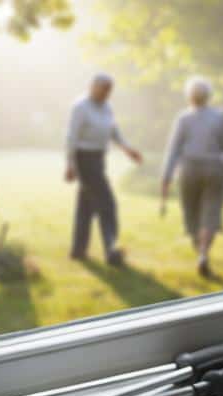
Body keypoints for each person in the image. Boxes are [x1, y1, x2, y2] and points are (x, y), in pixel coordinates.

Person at [161, 77, 223, 278]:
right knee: (211, 214)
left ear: (189, 97)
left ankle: (199, 249)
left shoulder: (183, 118)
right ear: (209, 96)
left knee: (191, 214)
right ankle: (203, 254)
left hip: (189, 169)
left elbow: (172, 150)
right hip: (214, 169)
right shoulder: (220, 117)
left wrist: (166, 178)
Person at [65, 73, 142, 266]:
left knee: (86, 207)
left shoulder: (107, 107)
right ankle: (112, 251)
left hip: (98, 159)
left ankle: (78, 250)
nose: (107, 93)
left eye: (109, 90)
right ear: (93, 86)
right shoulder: (80, 107)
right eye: (104, 89)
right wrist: (70, 164)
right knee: (107, 205)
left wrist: (127, 149)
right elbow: (71, 137)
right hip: (84, 159)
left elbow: (113, 132)